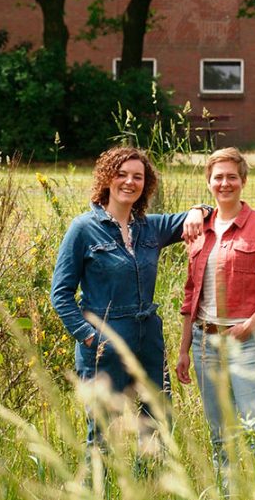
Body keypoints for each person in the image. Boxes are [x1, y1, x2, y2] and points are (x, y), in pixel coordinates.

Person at [51, 146, 209, 451]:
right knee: (102, 432)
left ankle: (151, 491)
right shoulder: (83, 229)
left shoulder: (151, 227)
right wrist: (89, 338)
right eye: (121, 174)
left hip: (148, 338)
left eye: (138, 177)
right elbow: (60, 293)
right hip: (104, 340)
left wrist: (196, 210)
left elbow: (208, 213)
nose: (129, 182)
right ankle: (99, 496)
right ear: (107, 178)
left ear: (145, 184)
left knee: (158, 422)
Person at [175, 147, 255, 500]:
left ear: (243, 181)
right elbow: (190, 293)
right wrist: (183, 350)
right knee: (218, 433)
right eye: (217, 177)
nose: (224, 183)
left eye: (231, 176)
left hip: (248, 342)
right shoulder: (199, 229)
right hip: (204, 343)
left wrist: (249, 326)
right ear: (208, 183)